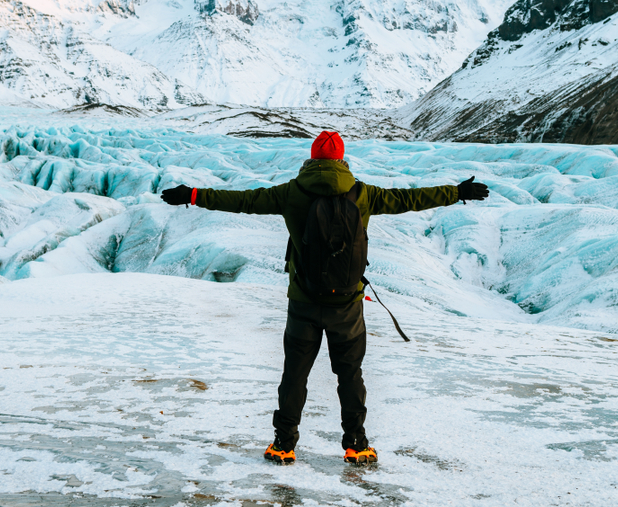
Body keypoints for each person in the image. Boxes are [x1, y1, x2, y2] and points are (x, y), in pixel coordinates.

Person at [161, 130, 488, 465]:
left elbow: (244, 201)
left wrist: (194, 194)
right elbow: (409, 198)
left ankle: (284, 443)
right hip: (347, 306)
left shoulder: (292, 192)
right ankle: (356, 443)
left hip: (304, 302)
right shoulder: (363, 193)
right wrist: (457, 192)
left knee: (294, 375)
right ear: (342, 161)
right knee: (350, 375)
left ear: (313, 159)